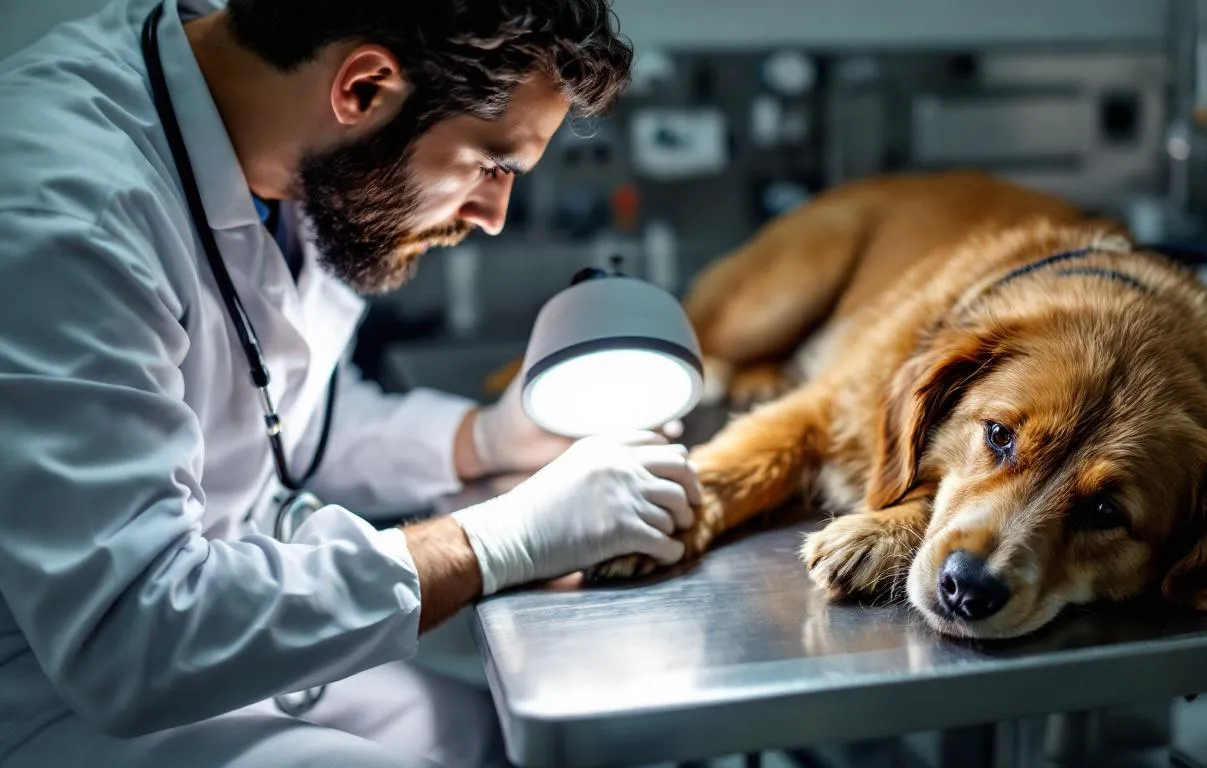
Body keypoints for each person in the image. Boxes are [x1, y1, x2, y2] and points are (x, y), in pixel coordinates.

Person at [0, 0, 702, 766]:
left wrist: (479, 441)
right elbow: (128, 637)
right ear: (365, 88)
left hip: (230, 631)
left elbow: (273, 422)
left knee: (517, 747)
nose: (495, 215)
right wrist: (501, 539)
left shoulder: (299, 150)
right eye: (492, 164)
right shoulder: (67, 216)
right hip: (66, 703)